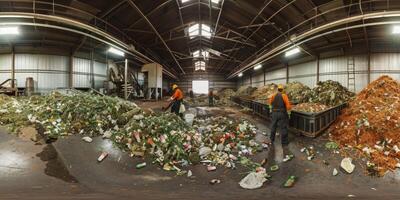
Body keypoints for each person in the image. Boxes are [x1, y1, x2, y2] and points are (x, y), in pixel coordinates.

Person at [268, 84, 292, 155]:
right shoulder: (284, 96)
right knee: (283, 127)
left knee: (273, 126)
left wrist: (270, 110)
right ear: (282, 90)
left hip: (274, 113)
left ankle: (272, 139)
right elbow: (288, 105)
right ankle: (284, 143)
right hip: (282, 114)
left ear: (278, 89)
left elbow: (269, 103)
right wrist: (289, 113)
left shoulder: (273, 95)